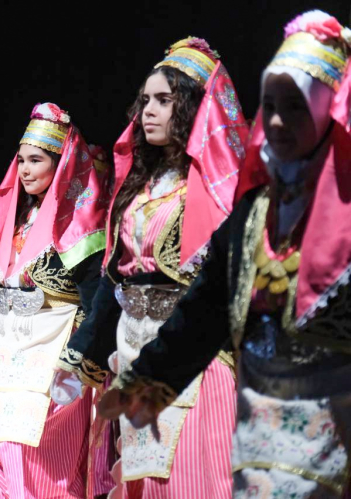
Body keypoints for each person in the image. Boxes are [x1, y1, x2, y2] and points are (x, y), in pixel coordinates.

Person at [99, 11, 351, 498]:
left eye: (295, 106)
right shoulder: (257, 210)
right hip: (266, 431)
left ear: (330, 109)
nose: (276, 121)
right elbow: (207, 305)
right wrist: (149, 380)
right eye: (269, 105)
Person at [80, 38, 248, 498]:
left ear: (192, 108)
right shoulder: (141, 185)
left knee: (188, 481)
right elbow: (116, 276)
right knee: (144, 481)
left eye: (163, 101)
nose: (147, 112)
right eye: (145, 100)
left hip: (193, 358)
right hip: (133, 346)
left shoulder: (217, 188)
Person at [0, 102, 112, 498]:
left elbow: (96, 300)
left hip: (53, 362)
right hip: (8, 360)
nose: (25, 170)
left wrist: (82, 356)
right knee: (3, 455)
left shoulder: (79, 227)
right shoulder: (18, 222)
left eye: (36, 160)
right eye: (21, 160)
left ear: (61, 164)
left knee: (39, 469)